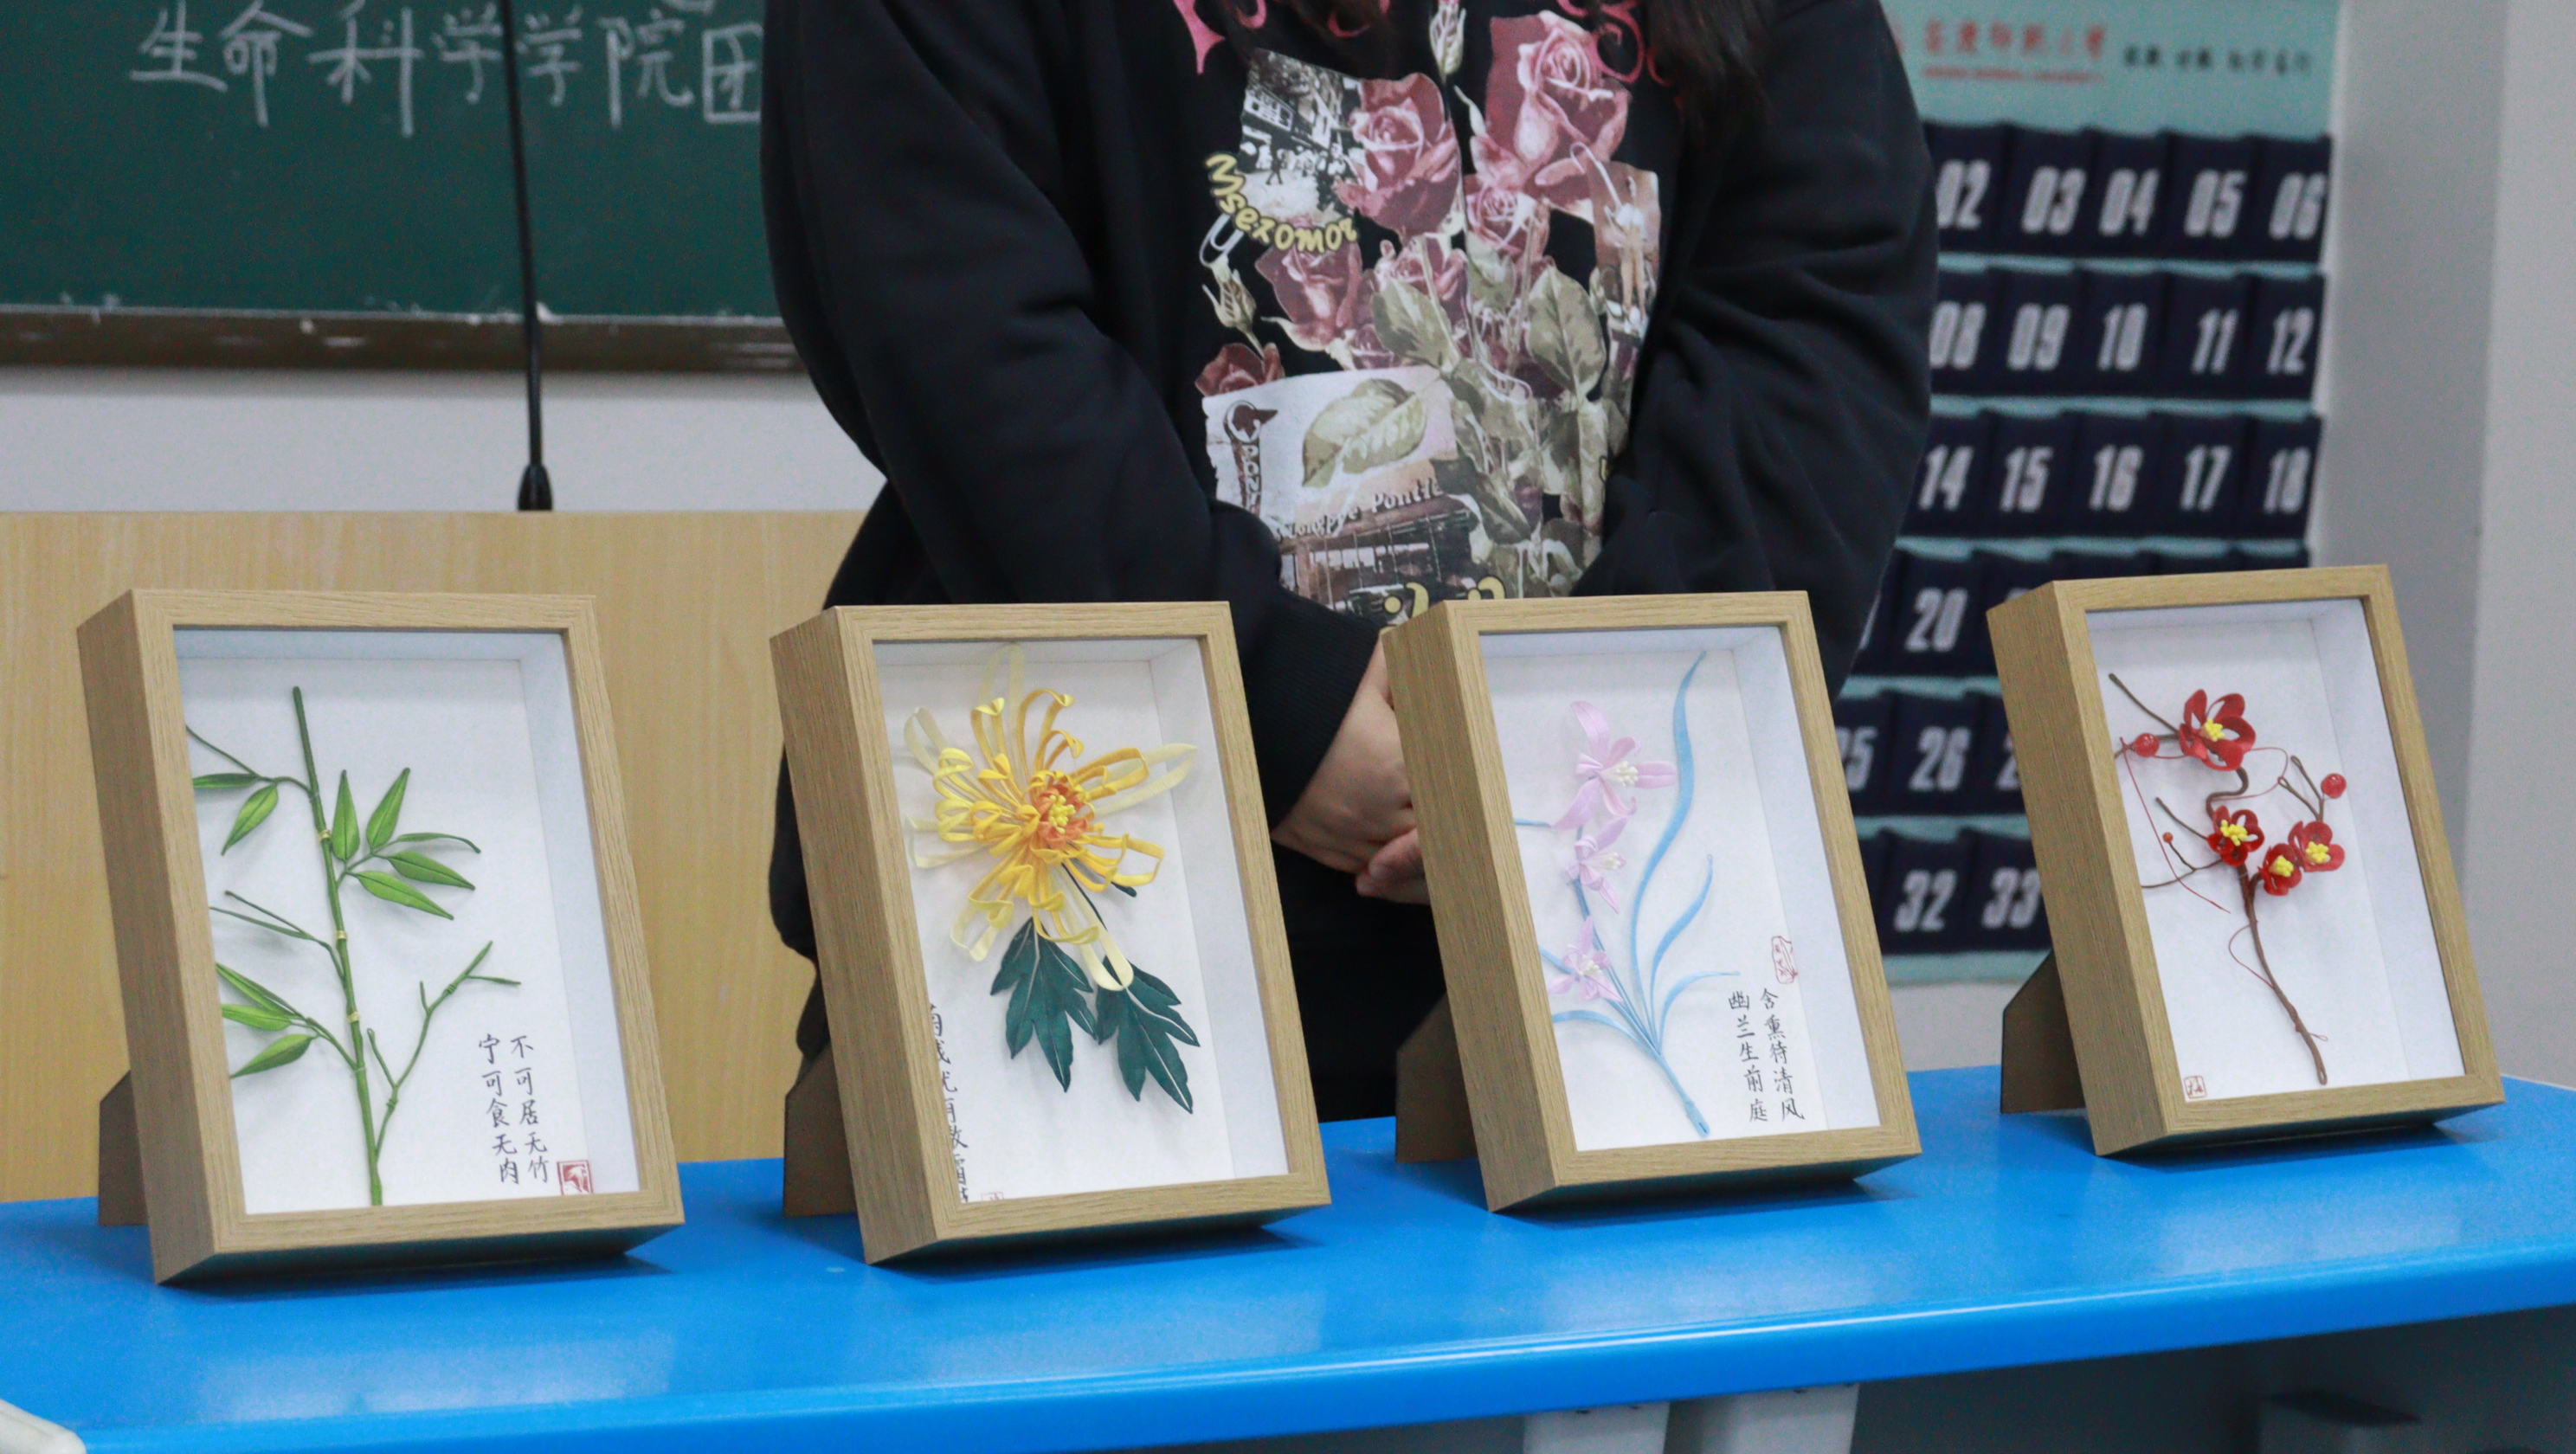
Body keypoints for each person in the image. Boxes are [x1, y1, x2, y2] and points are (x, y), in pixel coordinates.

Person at [763, 0, 1934, 1119]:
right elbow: (961, 320)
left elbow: (1816, 329)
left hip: (1618, 907)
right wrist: (1272, 700)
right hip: (1090, 888)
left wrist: (1576, 748)